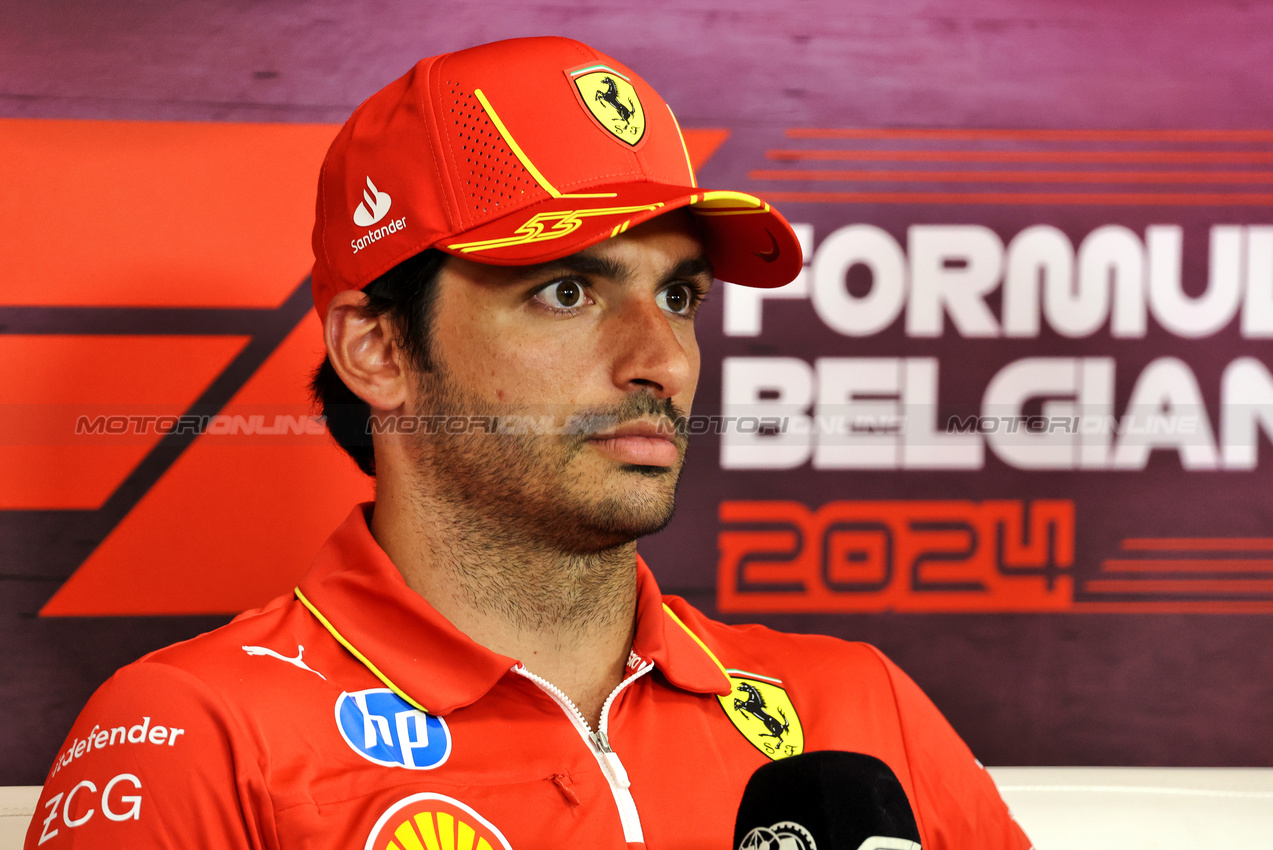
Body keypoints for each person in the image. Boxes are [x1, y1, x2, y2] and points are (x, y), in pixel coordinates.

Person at [27, 37, 1032, 850]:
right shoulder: (197, 736)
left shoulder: (854, 706)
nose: (662, 359)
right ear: (377, 348)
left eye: (677, 295)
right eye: (567, 290)